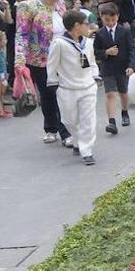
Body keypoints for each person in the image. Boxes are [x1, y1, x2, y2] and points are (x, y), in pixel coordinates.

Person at [14, 0, 71, 146]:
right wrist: (19, 58)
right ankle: (52, 129)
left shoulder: (61, 5)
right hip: (40, 58)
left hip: (63, 55)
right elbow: (21, 33)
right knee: (48, 94)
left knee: (61, 93)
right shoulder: (27, 6)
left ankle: (64, 130)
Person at [48, 9, 99, 165]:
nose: (88, 26)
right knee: (70, 120)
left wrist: (95, 75)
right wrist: (52, 82)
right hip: (67, 88)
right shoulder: (59, 43)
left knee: (88, 120)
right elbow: (52, 64)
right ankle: (77, 141)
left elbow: (92, 61)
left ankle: (87, 150)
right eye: (85, 24)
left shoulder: (88, 42)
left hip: (88, 86)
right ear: (76, 25)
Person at [93, 3, 135, 135]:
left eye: (113, 20)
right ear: (102, 18)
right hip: (108, 67)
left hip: (123, 67)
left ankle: (124, 112)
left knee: (123, 92)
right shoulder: (100, 34)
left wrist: (132, 66)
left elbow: (131, 49)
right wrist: (106, 52)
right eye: (107, 20)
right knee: (110, 93)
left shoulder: (124, 31)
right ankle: (111, 122)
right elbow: (96, 51)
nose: (110, 23)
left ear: (117, 17)